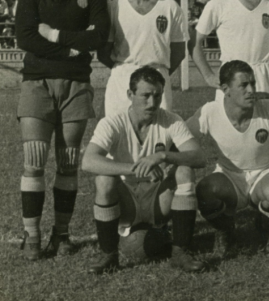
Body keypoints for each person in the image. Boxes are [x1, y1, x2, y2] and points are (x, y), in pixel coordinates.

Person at [15, 0, 110, 260]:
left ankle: (62, 235)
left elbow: (98, 38)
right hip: (37, 82)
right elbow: (25, 37)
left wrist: (53, 34)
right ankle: (31, 238)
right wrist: (72, 47)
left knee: (68, 163)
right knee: (35, 161)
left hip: (76, 85)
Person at [185, 61, 269, 256]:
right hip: (229, 176)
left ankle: (268, 229)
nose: (251, 90)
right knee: (205, 191)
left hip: (263, 173)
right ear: (225, 89)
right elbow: (181, 137)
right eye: (243, 85)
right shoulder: (210, 112)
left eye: (253, 84)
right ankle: (225, 232)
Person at [83, 67, 206, 274]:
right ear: (130, 95)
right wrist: (136, 169)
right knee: (104, 180)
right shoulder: (113, 122)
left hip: (158, 200)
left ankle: (180, 252)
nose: (152, 102)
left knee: (185, 171)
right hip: (126, 202)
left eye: (157, 96)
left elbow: (199, 157)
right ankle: (109, 255)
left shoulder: (171, 120)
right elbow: (88, 161)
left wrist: (162, 156)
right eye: (145, 95)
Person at [98, 0, 188, 116]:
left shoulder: (169, 7)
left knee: (158, 139)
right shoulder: (113, 7)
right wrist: (125, 69)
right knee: (120, 139)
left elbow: (178, 52)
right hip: (123, 81)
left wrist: (157, 72)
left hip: (157, 81)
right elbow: (103, 53)